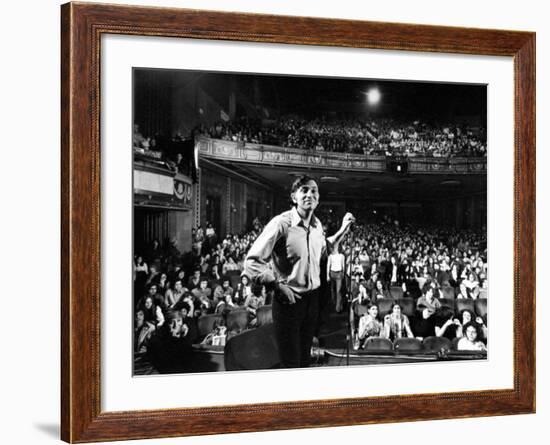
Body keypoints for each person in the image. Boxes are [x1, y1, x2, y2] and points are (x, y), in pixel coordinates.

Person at [243, 175, 354, 368]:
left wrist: (343, 230)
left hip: (312, 302)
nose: (309, 194)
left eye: (314, 190)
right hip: (289, 302)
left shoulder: (317, 225)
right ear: (294, 196)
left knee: (304, 359)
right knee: (291, 363)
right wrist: (276, 285)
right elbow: (251, 262)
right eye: (304, 190)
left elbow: (324, 248)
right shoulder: (281, 224)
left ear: (318, 198)